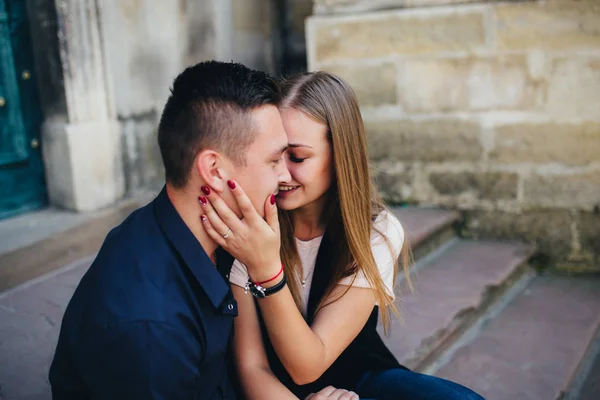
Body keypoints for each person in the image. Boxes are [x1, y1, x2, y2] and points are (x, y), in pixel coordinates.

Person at [199, 72, 485, 400]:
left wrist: (267, 270)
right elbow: (252, 368)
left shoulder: (375, 230)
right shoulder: (250, 224)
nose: (282, 173)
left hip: (356, 381)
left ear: (340, 157)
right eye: (275, 156)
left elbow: (310, 362)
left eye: (298, 157)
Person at [48, 61, 292, 399]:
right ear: (215, 171)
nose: (285, 176)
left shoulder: (209, 235)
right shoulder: (151, 327)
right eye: (274, 160)